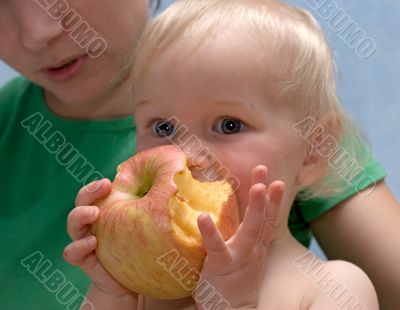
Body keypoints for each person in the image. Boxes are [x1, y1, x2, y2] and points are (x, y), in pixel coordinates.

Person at [0, 0, 398, 309]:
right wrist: (111, 292)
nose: (187, 156)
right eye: (163, 128)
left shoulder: (335, 288)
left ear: (314, 151)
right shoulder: (151, 288)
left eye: (229, 125)